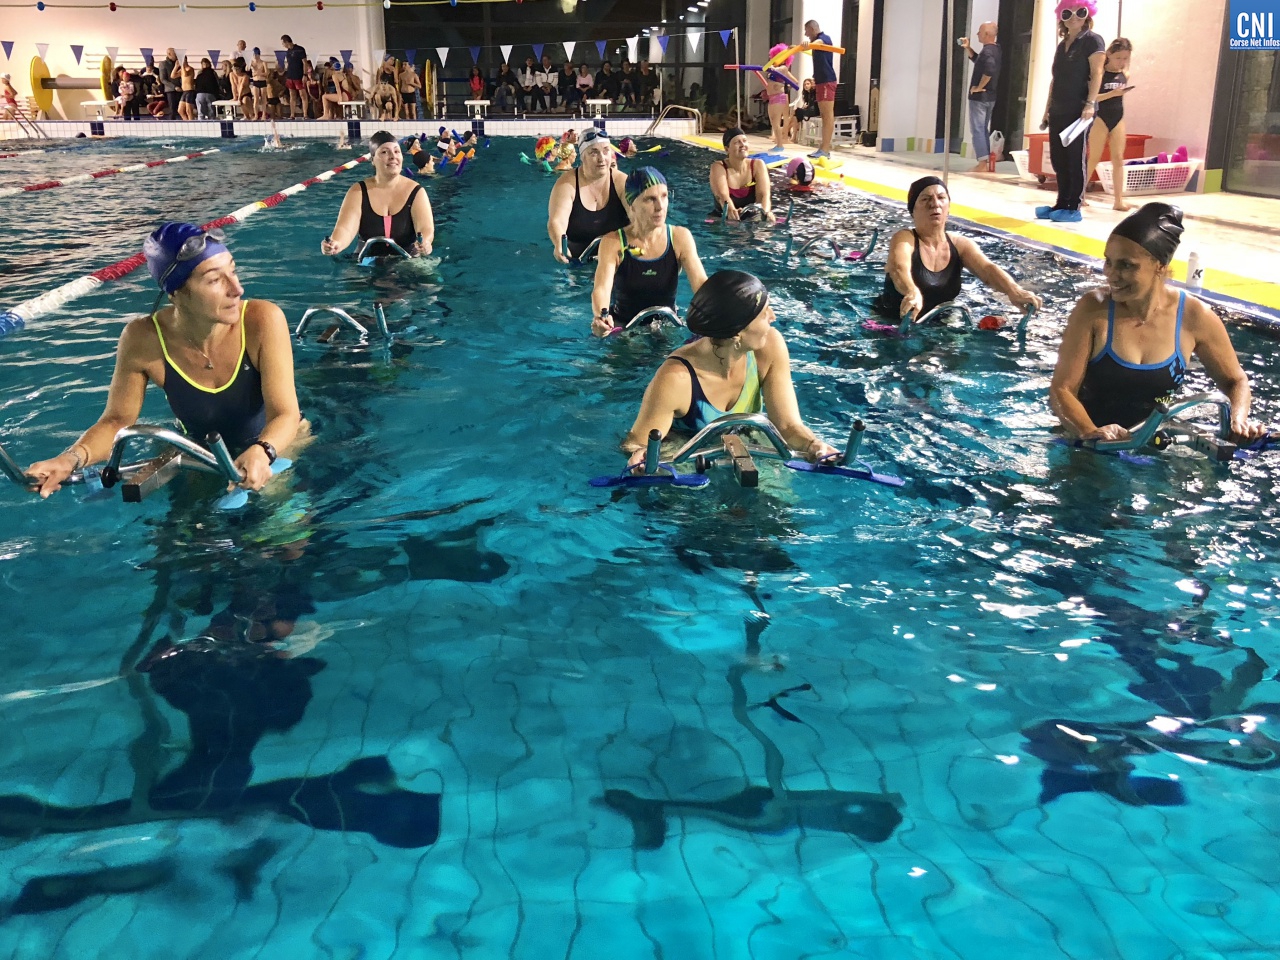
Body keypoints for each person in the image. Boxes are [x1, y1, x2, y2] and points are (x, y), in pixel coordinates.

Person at [24, 223, 303, 499]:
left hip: (274, 446)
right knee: (184, 526)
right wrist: (69, 460)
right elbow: (117, 421)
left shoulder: (261, 320)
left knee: (278, 520)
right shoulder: (143, 338)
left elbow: (285, 414)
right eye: (214, 280)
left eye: (233, 270)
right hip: (197, 452)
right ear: (176, 293)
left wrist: (263, 450)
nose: (237, 289)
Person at [1049, 203, 1268, 443]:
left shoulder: (1194, 316)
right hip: (1086, 448)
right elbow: (1062, 389)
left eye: (1126, 265)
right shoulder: (1093, 309)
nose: (1110, 274)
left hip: (1154, 446)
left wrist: (1238, 420)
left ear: (1160, 266)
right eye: (1108, 261)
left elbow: (1235, 380)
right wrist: (1090, 433)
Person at [619, 270, 840, 468]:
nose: (773, 317)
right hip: (686, 451)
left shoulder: (769, 347)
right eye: (764, 313)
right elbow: (635, 443)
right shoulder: (676, 378)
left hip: (746, 439)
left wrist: (812, 444)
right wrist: (640, 457)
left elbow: (787, 425)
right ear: (737, 333)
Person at [877, 177, 1042, 321]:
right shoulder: (905, 238)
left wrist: (1015, 291)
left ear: (948, 207)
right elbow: (898, 267)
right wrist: (911, 291)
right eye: (925, 199)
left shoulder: (960, 245)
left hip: (941, 324)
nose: (935, 204)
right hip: (892, 322)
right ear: (913, 210)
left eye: (941, 198)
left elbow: (987, 269)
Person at [591, 167, 708, 336]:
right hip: (625, 329)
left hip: (668, 326)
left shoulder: (680, 237)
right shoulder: (613, 242)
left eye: (664, 196)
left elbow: (701, 284)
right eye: (650, 199)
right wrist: (601, 318)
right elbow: (602, 288)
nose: (660, 206)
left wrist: (717, 310)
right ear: (632, 204)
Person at [1037, 1, 1105, 223]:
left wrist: (1090, 104)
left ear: (1088, 14)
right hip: (1059, 109)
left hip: (1079, 110)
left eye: (1080, 12)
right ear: (1061, 17)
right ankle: (1061, 203)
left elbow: (1097, 74)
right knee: (1059, 159)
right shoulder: (1062, 45)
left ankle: (1074, 206)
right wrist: (1047, 109)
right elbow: (1055, 80)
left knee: (1075, 158)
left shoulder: (1093, 41)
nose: (1074, 17)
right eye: (1067, 13)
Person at [322, 131, 435, 258]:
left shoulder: (416, 191)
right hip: (366, 261)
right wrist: (335, 243)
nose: (393, 156)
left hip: (407, 260)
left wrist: (425, 242)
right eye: (384, 152)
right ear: (372, 160)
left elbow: (425, 228)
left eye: (397, 151)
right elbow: (345, 229)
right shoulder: (358, 192)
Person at [547, 128, 631, 263]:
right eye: (594, 152)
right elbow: (557, 221)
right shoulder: (567, 184)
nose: (601, 158)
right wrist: (559, 244)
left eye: (606, 151)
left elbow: (638, 218)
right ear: (582, 157)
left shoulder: (622, 182)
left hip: (617, 258)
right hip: (577, 262)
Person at [1085, 38, 1134, 212]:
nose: (1122, 62)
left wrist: (1118, 93)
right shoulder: (1099, 73)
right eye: (1118, 58)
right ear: (1109, 55)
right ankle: (1079, 195)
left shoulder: (1125, 73)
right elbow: (1092, 97)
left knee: (1118, 158)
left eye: (1125, 58)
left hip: (1118, 117)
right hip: (1100, 117)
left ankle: (1118, 200)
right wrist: (1113, 93)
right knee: (1094, 157)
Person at [960, 21, 1001, 172]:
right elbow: (980, 61)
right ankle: (985, 162)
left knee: (977, 129)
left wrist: (978, 87)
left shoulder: (988, 52)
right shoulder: (995, 49)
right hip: (990, 97)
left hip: (980, 98)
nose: (977, 34)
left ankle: (982, 163)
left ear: (987, 34)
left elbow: (989, 70)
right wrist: (968, 48)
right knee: (983, 129)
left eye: (979, 31)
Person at [710, 128, 774, 222]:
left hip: (751, 216)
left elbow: (763, 195)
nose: (743, 145)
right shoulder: (719, 167)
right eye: (737, 142)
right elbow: (722, 195)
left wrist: (765, 213)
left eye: (744, 141)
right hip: (721, 217)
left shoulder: (758, 165)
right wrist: (731, 211)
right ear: (727, 149)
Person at [802, 20, 838, 159]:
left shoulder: (824, 38)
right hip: (821, 82)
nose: (806, 34)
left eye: (806, 31)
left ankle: (825, 149)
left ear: (812, 29)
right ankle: (823, 148)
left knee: (827, 115)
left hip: (827, 81)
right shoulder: (816, 42)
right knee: (824, 115)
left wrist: (808, 45)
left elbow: (818, 43)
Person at [764, 45, 800, 149]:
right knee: (773, 122)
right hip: (771, 97)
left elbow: (794, 81)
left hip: (778, 97)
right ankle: (778, 143)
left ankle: (780, 144)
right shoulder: (773, 68)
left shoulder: (783, 68)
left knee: (776, 121)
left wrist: (782, 85)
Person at [281, 35, 309, 119]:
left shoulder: (300, 49)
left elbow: (305, 63)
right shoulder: (288, 52)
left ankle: (305, 114)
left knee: (303, 95)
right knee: (292, 95)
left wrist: (305, 75)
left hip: (299, 75)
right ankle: (292, 114)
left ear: (286, 42)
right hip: (290, 75)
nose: (283, 45)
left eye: (283, 43)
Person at [249, 48, 269, 120]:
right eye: (254, 55)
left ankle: (263, 115)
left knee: (264, 99)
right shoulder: (251, 62)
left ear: (259, 54)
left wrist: (259, 73)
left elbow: (267, 73)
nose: (255, 56)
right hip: (255, 82)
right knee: (256, 99)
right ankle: (256, 115)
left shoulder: (263, 63)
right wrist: (249, 64)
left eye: (256, 55)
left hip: (262, 81)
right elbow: (246, 69)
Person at [161, 48, 180, 119]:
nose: (176, 56)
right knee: (173, 110)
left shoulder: (178, 63)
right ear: (169, 54)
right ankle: (172, 123)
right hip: (170, 90)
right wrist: (174, 87)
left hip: (180, 89)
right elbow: (163, 79)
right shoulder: (163, 64)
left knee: (181, 109)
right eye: (174, 54)